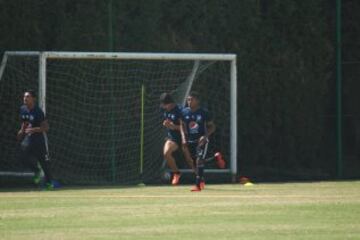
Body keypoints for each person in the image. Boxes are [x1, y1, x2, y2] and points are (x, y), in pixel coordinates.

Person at [17, 90, 54, 190]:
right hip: (28, 139)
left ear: (33, 99)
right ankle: (36, 171)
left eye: (28, 96)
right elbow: (25, 121)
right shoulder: (23, 109)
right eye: (24, 96)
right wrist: (21, 130)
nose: (25, 98)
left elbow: (46, 128)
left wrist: (33, 129)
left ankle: (49, 183)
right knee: (22, 156)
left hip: (39, 140)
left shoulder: (38, 111)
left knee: (45, 163)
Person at [181, 91, 216, 192]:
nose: (189, 101)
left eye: (191, 99)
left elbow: (212, 127)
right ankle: (215, 158)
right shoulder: (184, 112)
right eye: (188, 99)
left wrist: (204, 136)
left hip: (202, 140)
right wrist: (183, 137)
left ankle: (198, 185)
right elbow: (181, 125)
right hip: (190, 140)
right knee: (193, 161)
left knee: (199, 160)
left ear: (197, 101)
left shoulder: (204, 113)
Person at [160, 92, 193, 185]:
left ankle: (200, 178)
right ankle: (176, 173)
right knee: (166, 153)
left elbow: (187, 128)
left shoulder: (181, 111)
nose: (163, 107)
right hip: (172, 139)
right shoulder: (165, 111)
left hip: (184, 139)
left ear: (169, 103)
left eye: (164, 104)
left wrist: (173, 126)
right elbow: (168, 123)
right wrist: (166, 124)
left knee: (191, 162)